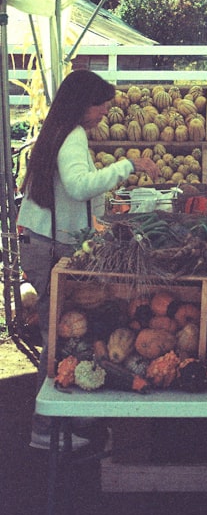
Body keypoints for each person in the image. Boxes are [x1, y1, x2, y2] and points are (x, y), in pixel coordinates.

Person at [17, 69, 159, 450]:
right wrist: (128, 166)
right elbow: (79, 185)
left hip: (43, 239)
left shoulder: (59, 131)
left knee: (65, 330)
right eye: (101, 106)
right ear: (83, 103)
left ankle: (74, 416)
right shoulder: (73, 136)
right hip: (48, 245)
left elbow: (69, 189)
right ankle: (46, 428)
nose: (103, 114)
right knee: (58, 333)